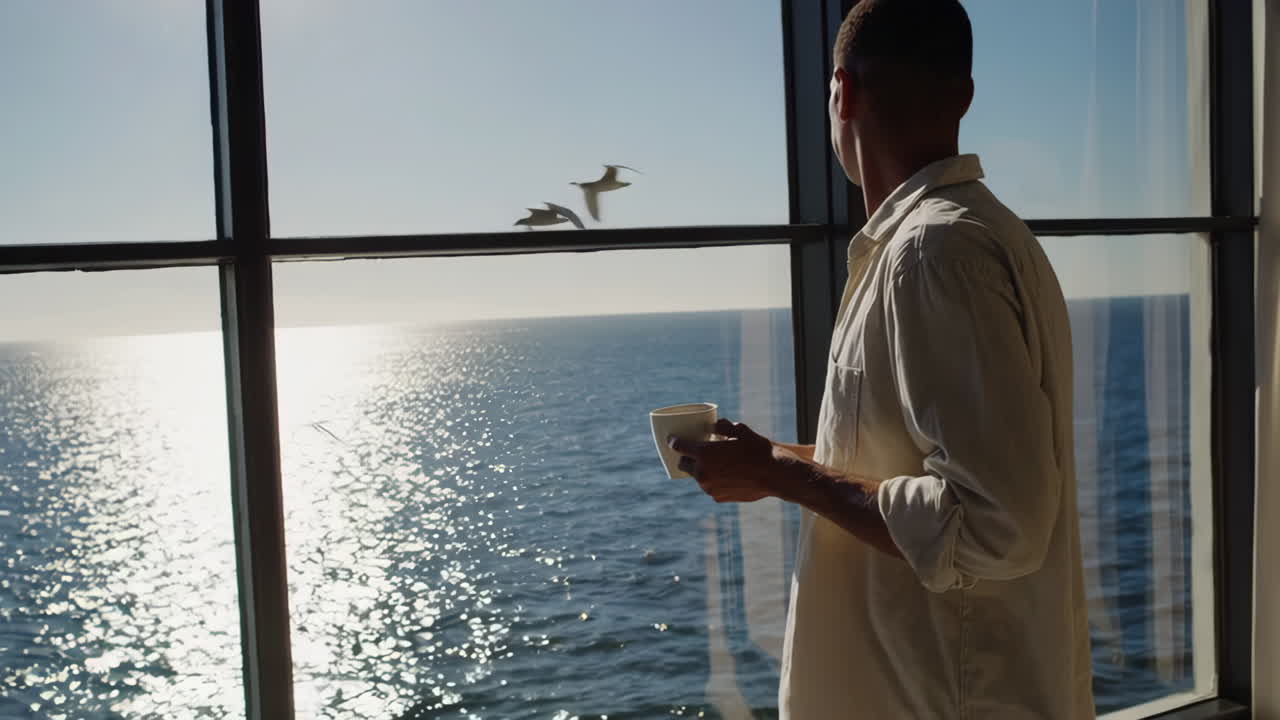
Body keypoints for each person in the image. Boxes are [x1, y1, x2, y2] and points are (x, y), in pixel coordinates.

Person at [668, 0, 1094, 717]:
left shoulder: (933, 253)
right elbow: (921, 464)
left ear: (841, 92)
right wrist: (772, 464)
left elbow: (998, 524)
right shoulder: (981, 235)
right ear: (964, 96)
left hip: (942, 698)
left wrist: (784, 474)